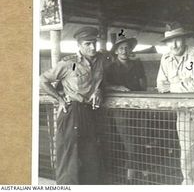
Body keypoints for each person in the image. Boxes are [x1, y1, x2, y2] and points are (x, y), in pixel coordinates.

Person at [40, 27, 107, 184]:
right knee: (70, 155)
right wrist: (60, 99)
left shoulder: (100, 61)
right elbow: (43, 80)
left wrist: (98, 91)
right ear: (79, 46)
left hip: (90, 112)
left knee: (90, 154)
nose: (92, 47)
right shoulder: (68, 63)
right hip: (72, 112)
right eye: (88, 44)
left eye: (94, 43)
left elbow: (100, 82)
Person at [156, 23, 194, 185]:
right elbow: (161, 85)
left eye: (177, 40)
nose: (174, 45)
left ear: (184, 40)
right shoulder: (166, 58)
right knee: (187, 151)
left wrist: (173, 87)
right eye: (170, 41)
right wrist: (185, 84)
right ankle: (190, 184)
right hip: (182, 111)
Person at [104, 34, 147, 182]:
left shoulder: (137, 64)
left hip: (139, 108)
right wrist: (117, 87)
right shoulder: (109, 67)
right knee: (130, 142)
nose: (124, 51)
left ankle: (140, 169)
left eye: (127, 48)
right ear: (116, 51)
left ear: (130, 51)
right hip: (120, 110)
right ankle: (132, 173)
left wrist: (143, 99)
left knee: (141, 138)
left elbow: (143, 84)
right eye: (121, 48)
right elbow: (104, 86)